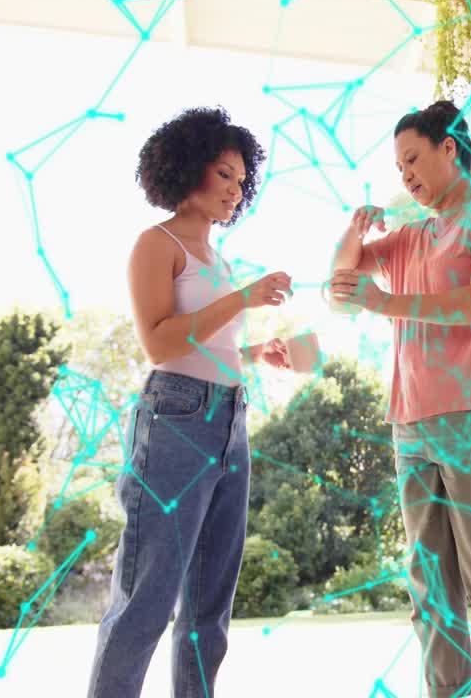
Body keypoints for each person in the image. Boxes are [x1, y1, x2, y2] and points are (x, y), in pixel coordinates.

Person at [330, 100, 471, 698]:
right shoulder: (411, 237)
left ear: (448, 148)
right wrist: (354, 231)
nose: (405, 175)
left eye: (412, 158)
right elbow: (340, 286)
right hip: (414, 426)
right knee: (432, 592)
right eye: (398, 167)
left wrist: (385, 304)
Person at [88, 106, 300, 698]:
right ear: (188, 170)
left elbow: (204, 344)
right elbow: (159, 342)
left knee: (211, 606)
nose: (235, 190)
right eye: (223, 174)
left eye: (241, 179)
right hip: (176, 418)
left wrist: (256, 352)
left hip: (228, 418)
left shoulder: (215, 257)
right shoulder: (155, 244)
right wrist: (243, 298)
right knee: (147, 598)